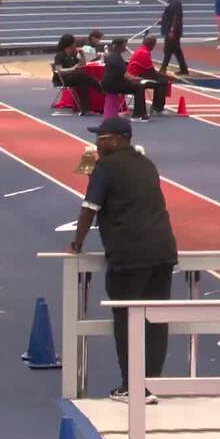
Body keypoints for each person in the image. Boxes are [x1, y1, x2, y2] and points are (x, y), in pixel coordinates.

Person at [69, 117, 177, 404]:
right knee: (155, 319)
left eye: (101, 138)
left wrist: (77, 243)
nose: (96, 143)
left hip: (130, 254)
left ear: (118, 139)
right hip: (163, 251)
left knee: (127, 319)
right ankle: (151, 383)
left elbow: (90, 206)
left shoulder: (106, 167)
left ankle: (132, 386)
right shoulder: (147, 164)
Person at [102, 38, 151, 120]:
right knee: (139, 87)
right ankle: (138, 115)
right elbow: (125, 75)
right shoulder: (116, 57)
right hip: (114, 84)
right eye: (124, 45)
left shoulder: (111, 55)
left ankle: (137, 113)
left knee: (136, 85)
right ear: (119, 46)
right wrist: (136, 79)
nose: (125, 47)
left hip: (109, 82)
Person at [53, 34, 102, 115]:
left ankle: (85, 110)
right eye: (74, 43)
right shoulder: (60, 55)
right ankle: (100, 88)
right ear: (70, 44)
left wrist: (82, 54)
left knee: (84, 81)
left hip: (74, 77)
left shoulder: (74, 54)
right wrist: (72, 68)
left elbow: (82, 64)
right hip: (63, 78)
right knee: (82, 74)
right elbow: (59, 70)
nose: (75, 45)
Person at [126, 35, 168, 116]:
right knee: (162, 82)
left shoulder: (141, 50)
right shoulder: (144, 53)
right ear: (152, 44)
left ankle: (156, 107)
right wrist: (164, 76)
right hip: (135, 79)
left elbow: (148, 70)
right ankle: (157, 109)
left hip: (136, 76)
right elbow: (151, 71)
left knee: (161, 79)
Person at [158, 0, 188, 75]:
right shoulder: (173, 2)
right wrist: (163, 21)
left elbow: (176, 17)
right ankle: (183, 69)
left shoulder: (176, 3)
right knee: (176, 49)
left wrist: (172, 30)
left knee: (168, 50)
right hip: (171, 31)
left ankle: (163, 68)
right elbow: (170, 16)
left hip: (173, 32)